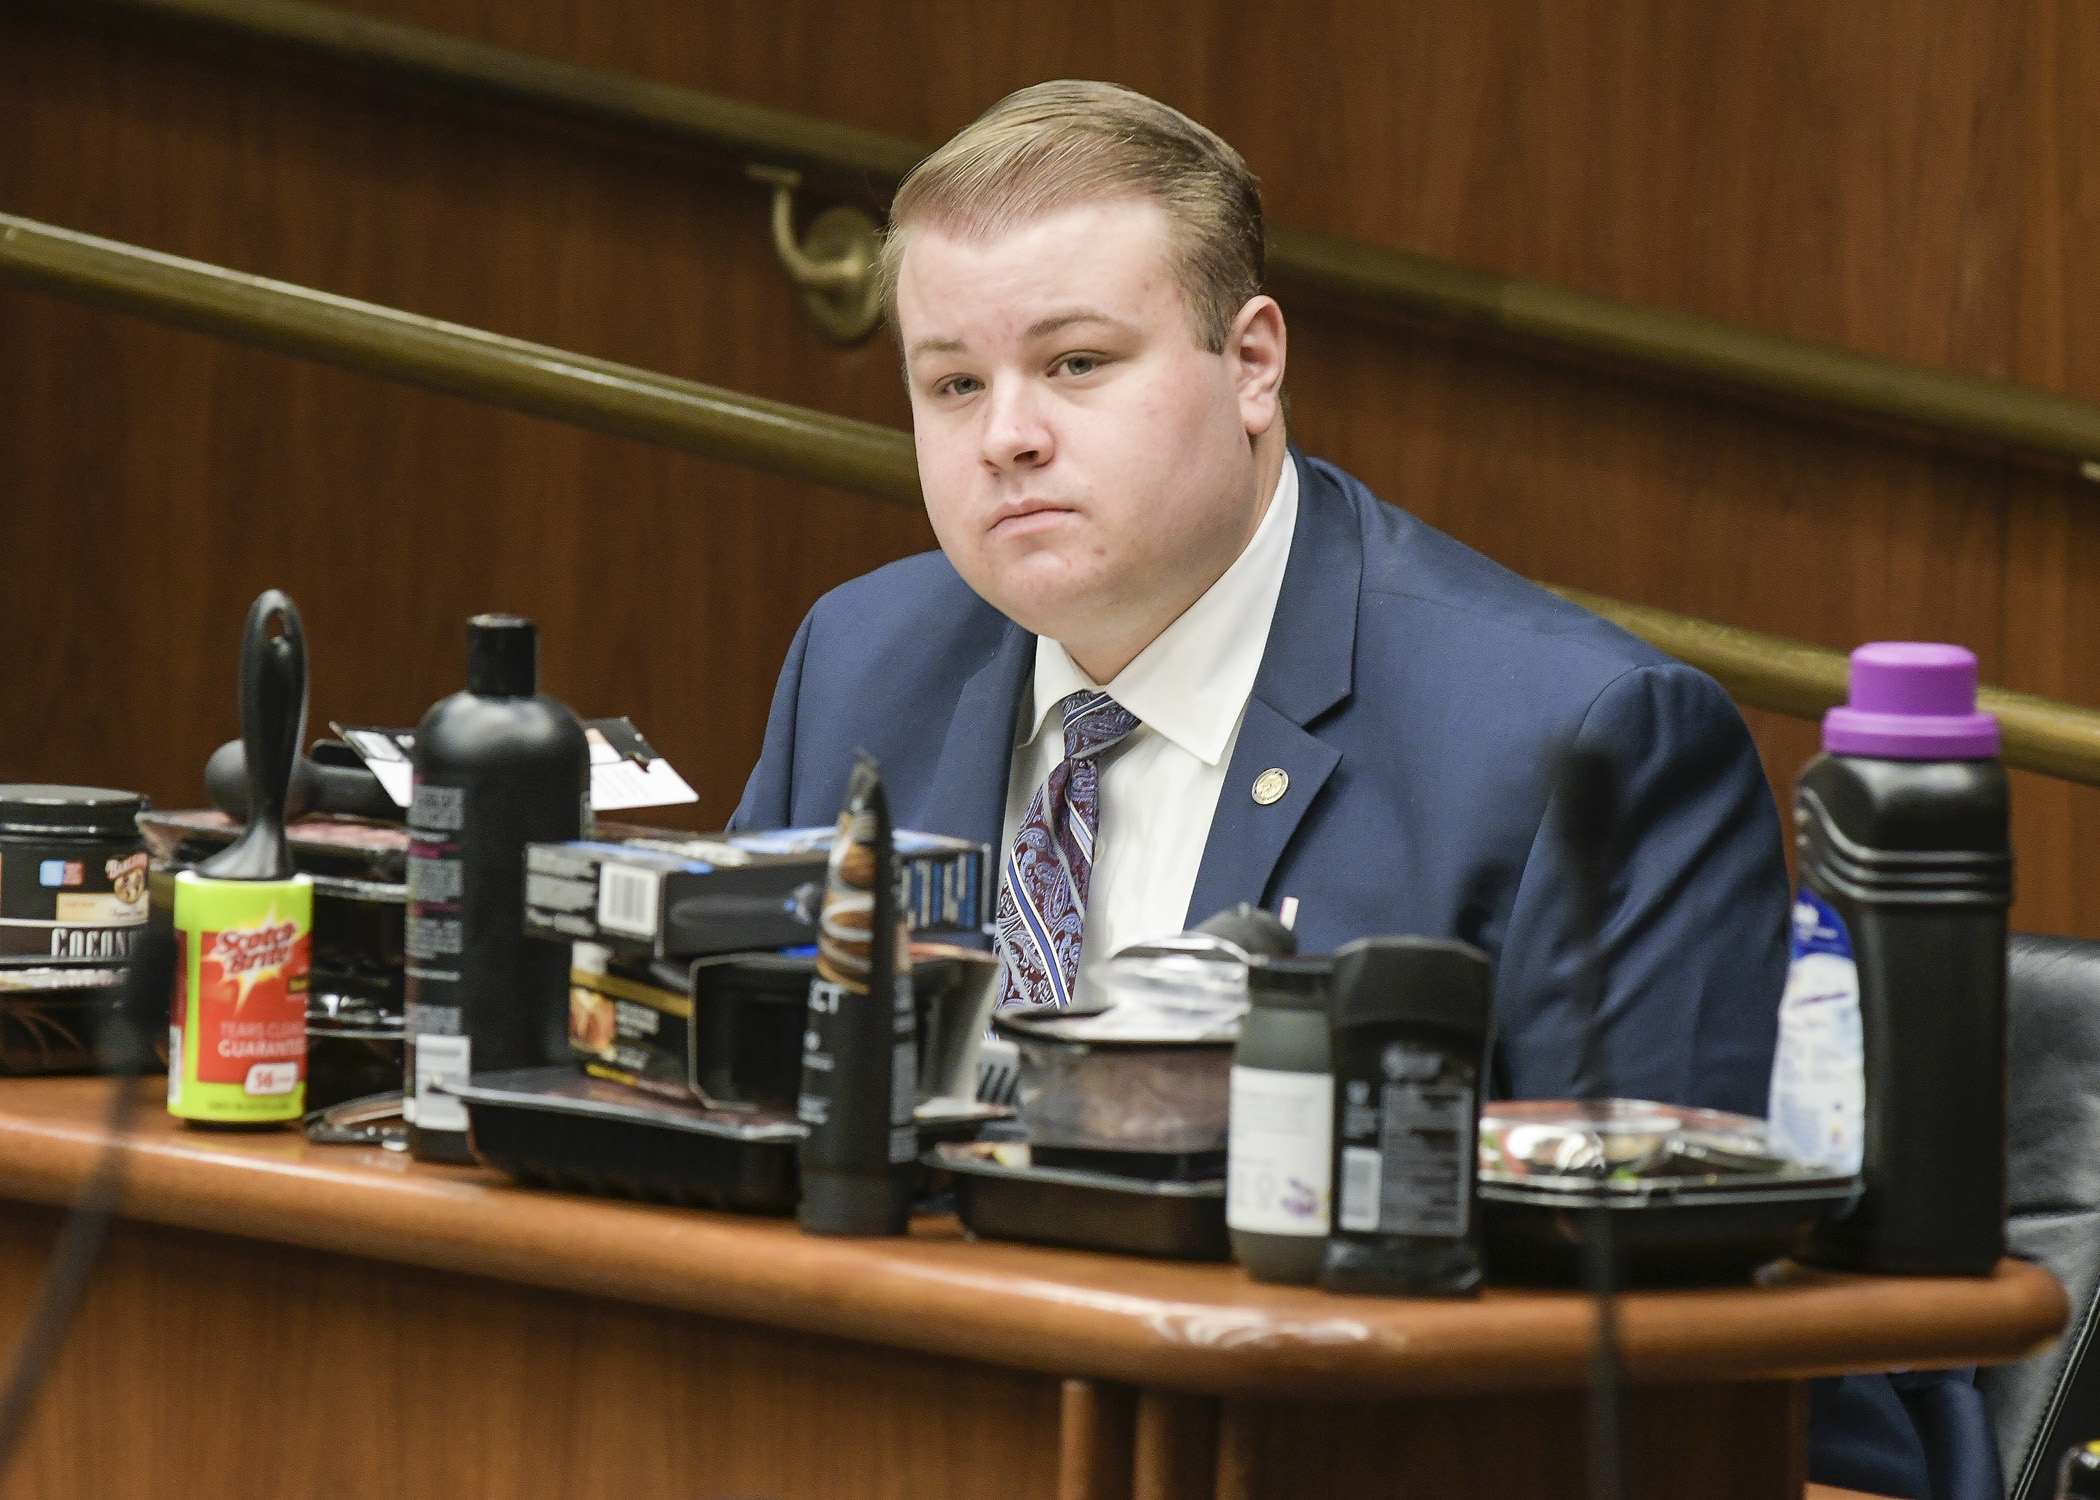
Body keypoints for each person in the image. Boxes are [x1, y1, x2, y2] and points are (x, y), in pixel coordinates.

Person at [735, 78, 1788, 1118]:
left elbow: (1645, 1254)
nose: (1008, 435)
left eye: (1077, 361)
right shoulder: (858, 659)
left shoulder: (1580, 741)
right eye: (955, 384)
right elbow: (739, 1081)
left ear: (1251, 363)